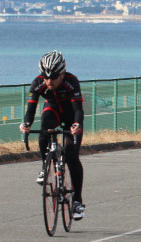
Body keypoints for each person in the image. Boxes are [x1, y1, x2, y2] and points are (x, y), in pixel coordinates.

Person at [20, 51, 86, 220]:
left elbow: (78, 110)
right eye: (45, 77)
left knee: (71, 156)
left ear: (62, 73)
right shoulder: (38, 83)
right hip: (53, 112)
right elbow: (31, 110)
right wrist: (26, 124)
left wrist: (76, 125)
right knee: (44, 128)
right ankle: (45, 166)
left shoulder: (71, 82)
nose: (49, 81)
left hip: (72, 118)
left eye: (54, 77)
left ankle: (77, 201)